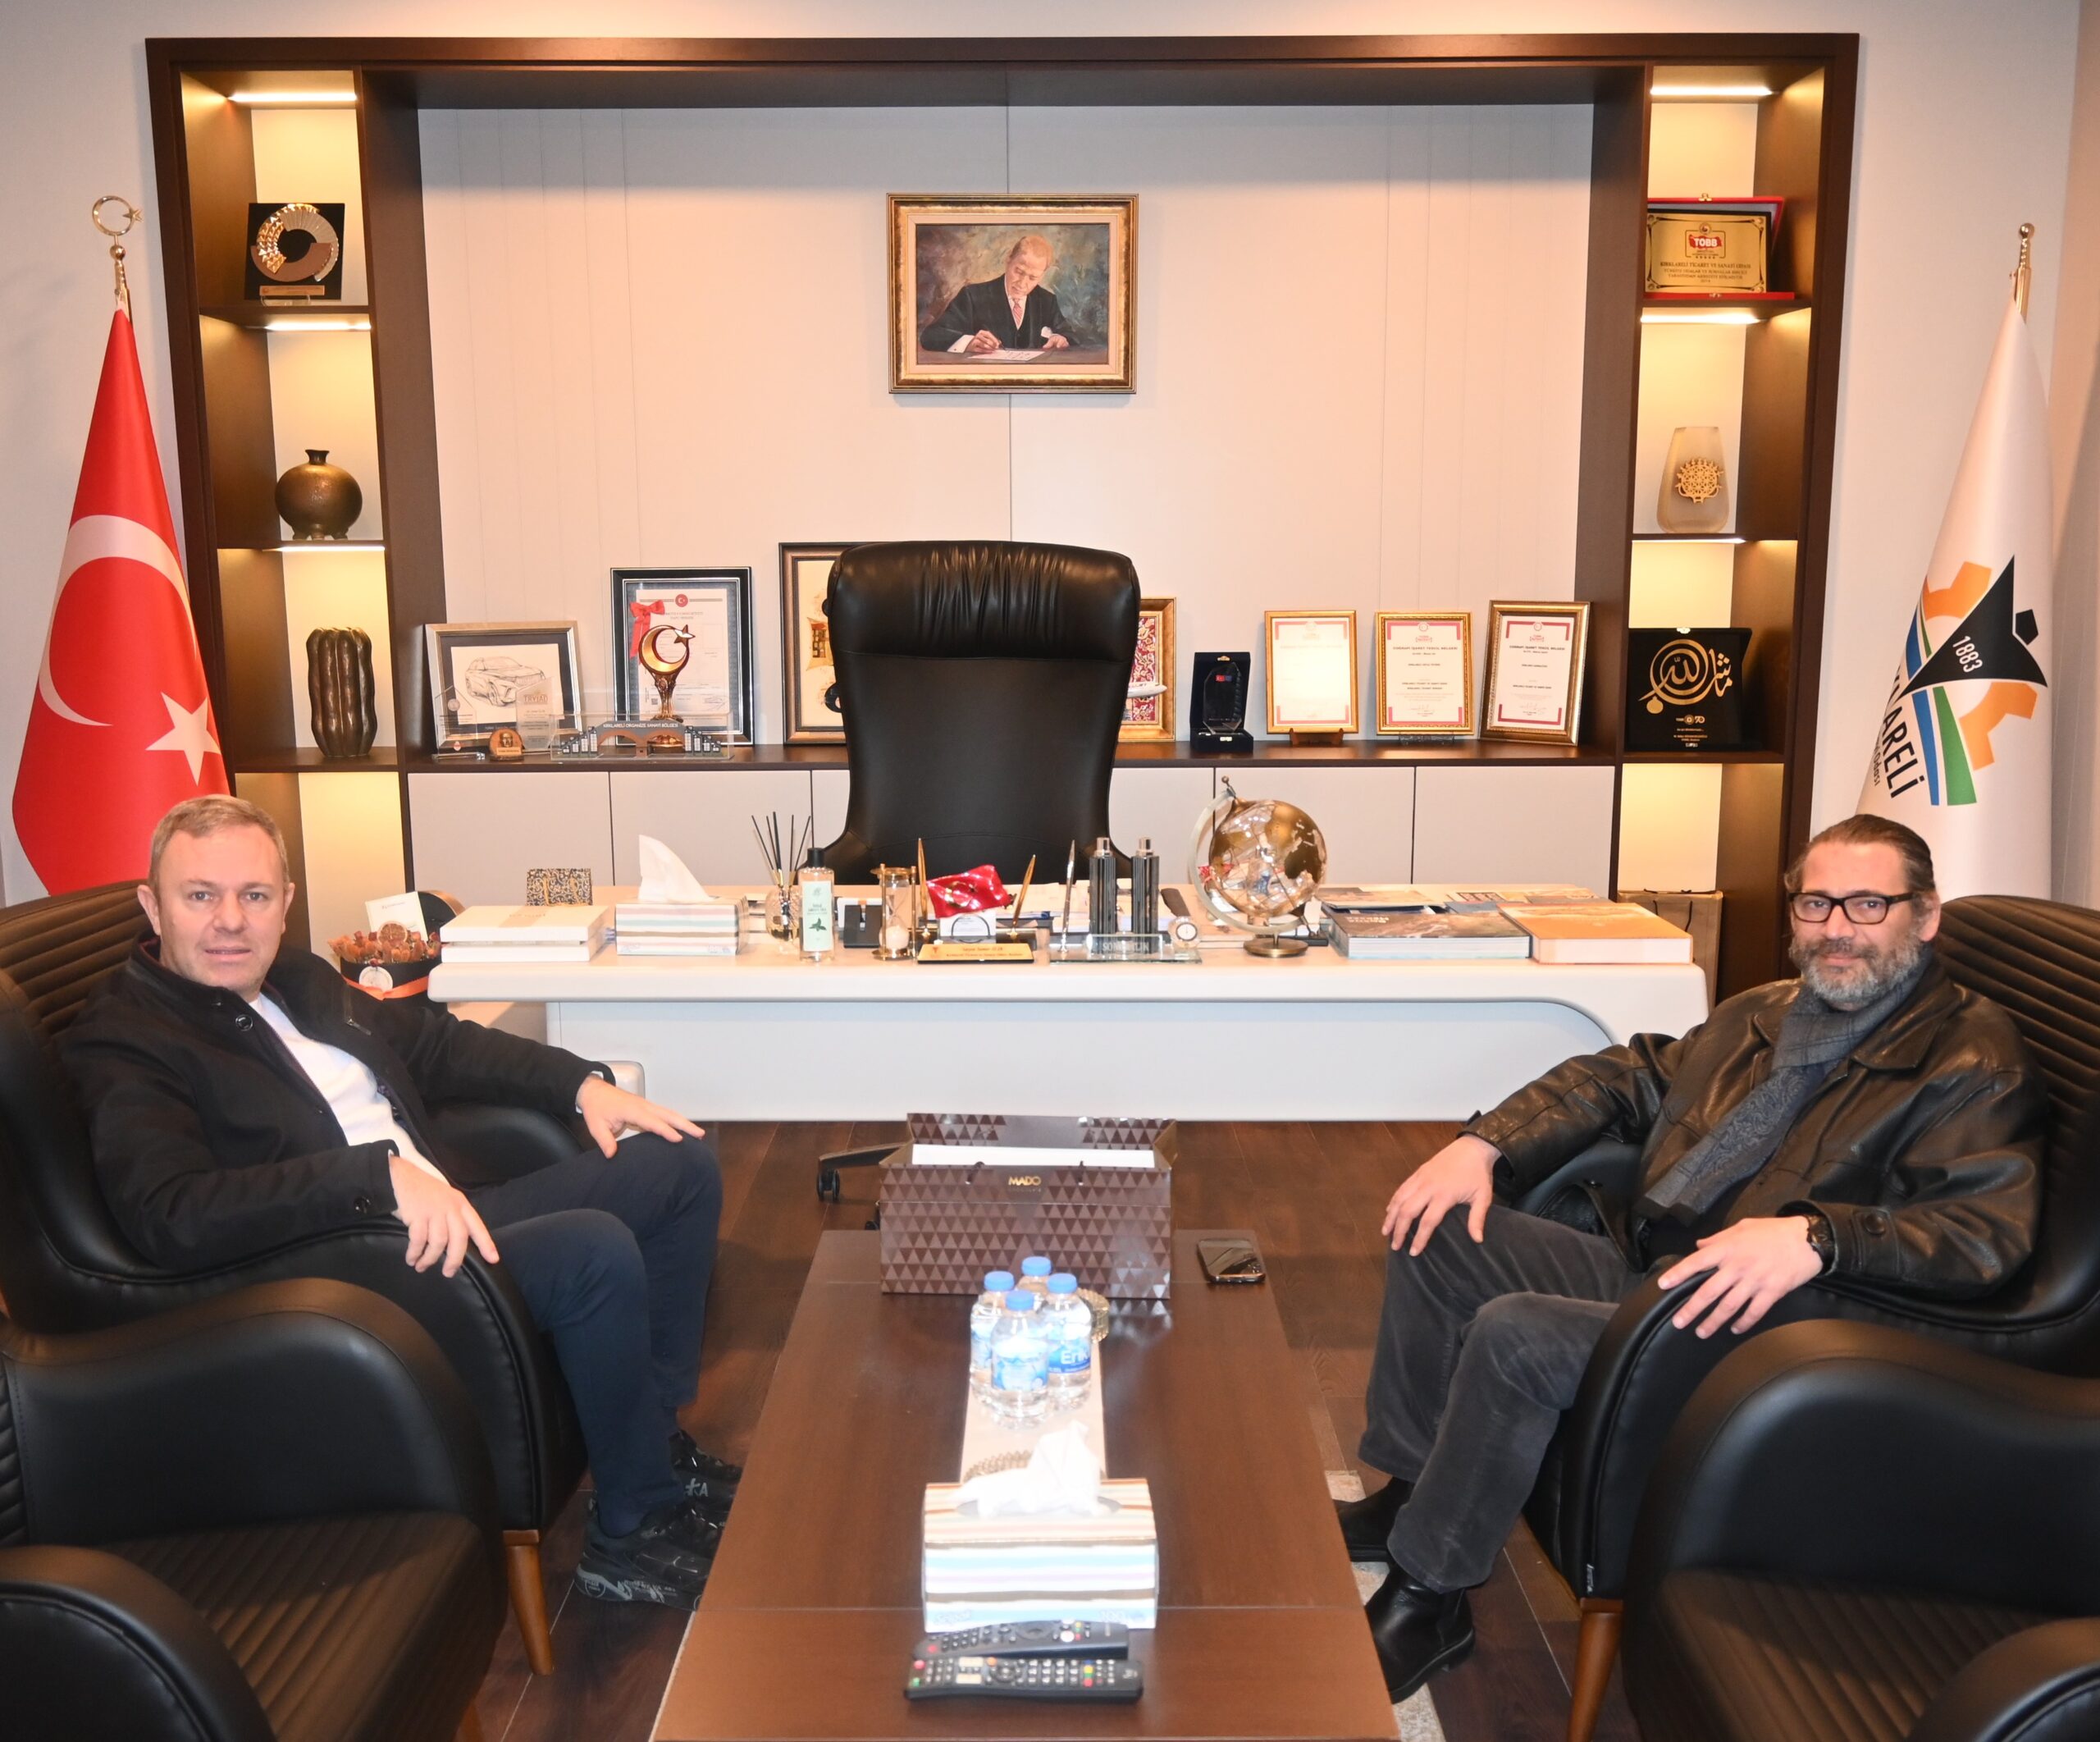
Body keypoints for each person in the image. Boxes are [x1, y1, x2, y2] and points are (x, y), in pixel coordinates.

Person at [1339, 813, 2044, 1700]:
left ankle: (1428, 1595)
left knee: (1517, 1332)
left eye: (1868, 904)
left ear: (1926, 914)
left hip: (1760, 1327)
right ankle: (1410, 1490)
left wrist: (1819, 1235)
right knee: (1442, 1223)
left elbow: (1983, 1234)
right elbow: (1626, 1075)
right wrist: (1485, 1143)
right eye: (1816, 903)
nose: (1836, 928)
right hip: (1662, 1272)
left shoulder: (1972, 1061)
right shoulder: (1768, 1013)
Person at [62, 794, 741, 1611]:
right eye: (200, 895)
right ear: (153, 906)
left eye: (254, 894)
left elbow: (438, 1045)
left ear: (286, 901)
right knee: (591, 1250)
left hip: (446, 1214)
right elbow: (172, 1213)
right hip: (361, 1271)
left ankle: (653, 1445)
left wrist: (580, 1083)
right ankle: (632, 1528)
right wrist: (374, 1176)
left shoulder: (299, 980)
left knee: (679, 1165)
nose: (229, 920)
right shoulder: (126, 1038)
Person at [920, 233, 1076, 354]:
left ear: (1042, 275)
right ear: (1008, 260)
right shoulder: (973, 296)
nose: (1022, 283)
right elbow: (931, 336)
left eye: (1032, 277)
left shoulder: (1047, 300)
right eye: (1019, 271)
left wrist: (1061, 338)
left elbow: (1070, 335)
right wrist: (968, 343)